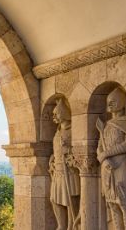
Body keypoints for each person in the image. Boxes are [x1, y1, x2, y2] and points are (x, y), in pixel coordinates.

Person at [97, 87, 126, 230]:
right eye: (108, 102)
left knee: (125, 204)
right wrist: (103, 159)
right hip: (107, 168)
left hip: (122, 166)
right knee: (112, 204)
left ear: (122, 102)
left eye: (114, 101)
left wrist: (106, 155)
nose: (110, 104)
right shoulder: (106, 125)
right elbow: (100, 147)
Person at [49, 98, 80, 230]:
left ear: (64, 113)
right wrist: (52, 159)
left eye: (56, 113)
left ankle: (70, 227)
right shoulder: (57, 131)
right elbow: (56, 151)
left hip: (70, 171)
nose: (54, 116)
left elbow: (81, 150)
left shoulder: (73, 130)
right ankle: (61, 226)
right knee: (54, 200)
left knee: (69, 202)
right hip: (58, 171)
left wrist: (67, 150)